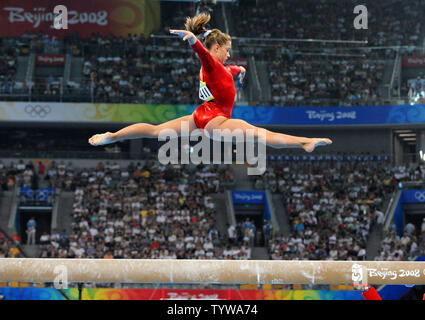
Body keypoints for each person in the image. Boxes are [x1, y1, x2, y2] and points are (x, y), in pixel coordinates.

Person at [88, 13, 332, 154]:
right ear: (217, 47)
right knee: (260, 135)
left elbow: (227, 70)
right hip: (216, 120)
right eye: (227, 50)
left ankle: (113, 136)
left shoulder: (219, 69)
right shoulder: (210, 62)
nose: (228, 54)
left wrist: (240, 69)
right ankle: (304, 142)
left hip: (200, 116)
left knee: (154, 130)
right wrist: (194, 41)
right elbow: (206, 56)